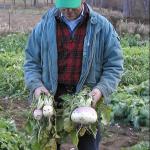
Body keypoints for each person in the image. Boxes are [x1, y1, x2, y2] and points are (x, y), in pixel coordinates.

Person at [24, 0, 124, 149]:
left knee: (88, 145)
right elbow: (31, 62)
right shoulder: (44, 26)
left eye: (72, 7)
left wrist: (100, 90)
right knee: (48, 144)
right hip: (52, 94)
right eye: (63, 7)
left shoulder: (102, 27)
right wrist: (37, 87)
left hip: (87, 97)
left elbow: (114, 65)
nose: (68, 11)